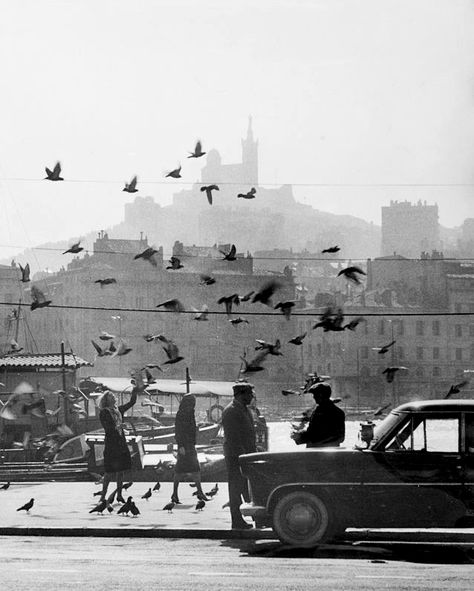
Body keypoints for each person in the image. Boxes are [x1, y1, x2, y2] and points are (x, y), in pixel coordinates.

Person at [98, 381, 141, 503]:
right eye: (111, 396)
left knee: (121, 470)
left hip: (121, 442)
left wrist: (135, 390)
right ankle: (103, 496)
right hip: (112, 443)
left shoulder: (118, 410)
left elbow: (132, 402)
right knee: (109, 472)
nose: (114, 397)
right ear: (106, 400)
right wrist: (118, 426)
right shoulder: (104, 412)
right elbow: (108, 428)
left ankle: (119, 494)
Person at [221, 382, 257, 530]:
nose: (251, 397)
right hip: (236, 456)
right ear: (241, 394)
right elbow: (234, 437)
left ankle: (254, 516)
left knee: (245, 487)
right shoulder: (231, 411)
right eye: (249, 394)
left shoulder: (244, 410)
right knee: (235, 489)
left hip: (245, 455)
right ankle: (236, 520)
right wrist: (244, 456)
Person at [171, 394, 209, 504]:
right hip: (184, 445)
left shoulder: (190, 412)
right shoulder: (182, 413)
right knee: (180, 470)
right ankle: (175, 494)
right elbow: (178, 431)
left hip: (190, 444)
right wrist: (181, 445)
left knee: (195, 469)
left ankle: (199, 491)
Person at [291, 382, 345, 448]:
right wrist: (301, 435)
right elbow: (338, 437)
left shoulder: (321, 413)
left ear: (321, 395)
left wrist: (300, 436)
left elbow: (319, 435)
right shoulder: (338, 412)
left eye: (315, 394)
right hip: (331, 452)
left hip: (317, 453)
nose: (314, 397)